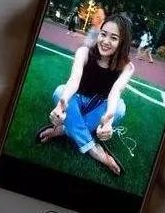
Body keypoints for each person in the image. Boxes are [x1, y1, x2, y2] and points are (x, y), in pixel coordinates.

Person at [36, 15, 134, 175]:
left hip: (99, 108)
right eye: (103, 34)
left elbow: (115, 92)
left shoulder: (127, 67)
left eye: (114, 38)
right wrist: (62, 103)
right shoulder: (84, 52)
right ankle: (94, 150)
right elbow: (73, 80)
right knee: (61, 91)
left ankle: (63, 130)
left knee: (120, 108)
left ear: (123, 42)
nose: (105, 41)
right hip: (77, 103)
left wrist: (108, 119)